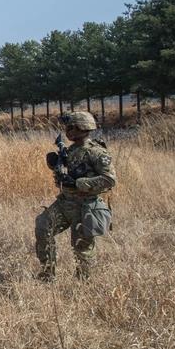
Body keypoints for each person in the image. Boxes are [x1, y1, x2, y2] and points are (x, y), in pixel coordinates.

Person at [35, 111, 116, 282]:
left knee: (82, 247)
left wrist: (82, 183)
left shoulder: (97, 152)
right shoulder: (70, 150)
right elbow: (66, 174)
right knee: (43, 227)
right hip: (65, 203)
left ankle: (83, 283)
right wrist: (55, 165)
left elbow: (109, 180)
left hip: (86, 205)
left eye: (70, 127)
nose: (67, 131)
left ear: (82, 128)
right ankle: (47, 274)